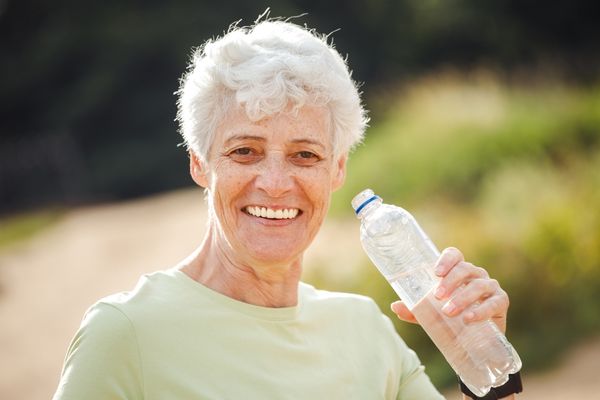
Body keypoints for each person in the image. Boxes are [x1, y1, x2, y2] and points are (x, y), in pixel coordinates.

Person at [53, 17, 521, 400]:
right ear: (199, 162)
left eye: (305, 155)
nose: (275, 185)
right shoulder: (125, 334)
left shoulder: (365, 331)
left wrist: (484, 359)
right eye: (245, 151)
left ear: (336, 171)